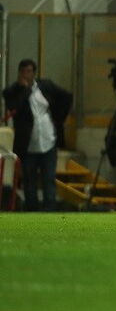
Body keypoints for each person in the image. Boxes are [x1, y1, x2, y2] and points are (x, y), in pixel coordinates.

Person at [2, 59, 72, 211]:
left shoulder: (46, 86)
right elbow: (15, 107)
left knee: (48, 180)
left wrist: (60, 119)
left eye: (29, 71)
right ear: (19, 73)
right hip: (28, 146)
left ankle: (50, 212)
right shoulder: (12, 91)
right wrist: (25, 90)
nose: (27, 75)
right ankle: (32, 212)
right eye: (23, 72)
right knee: (29, 182)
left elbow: (67, 96)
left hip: (48, 141)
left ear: (34, 73)